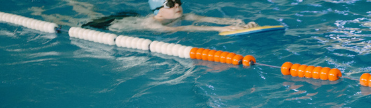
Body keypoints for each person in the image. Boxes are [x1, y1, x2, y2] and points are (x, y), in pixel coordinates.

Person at [79, 0, 257, 34]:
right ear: (158, 10)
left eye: (178, 1)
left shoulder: (183, 14)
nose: (177, 5)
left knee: (91, 10)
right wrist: (221, 30)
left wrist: (236, 23)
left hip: (130, 16)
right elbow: (185, 28)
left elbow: (202, 19)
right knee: (86, 19)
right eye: (170, 4)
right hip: (111, 26)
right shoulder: (153, 25)